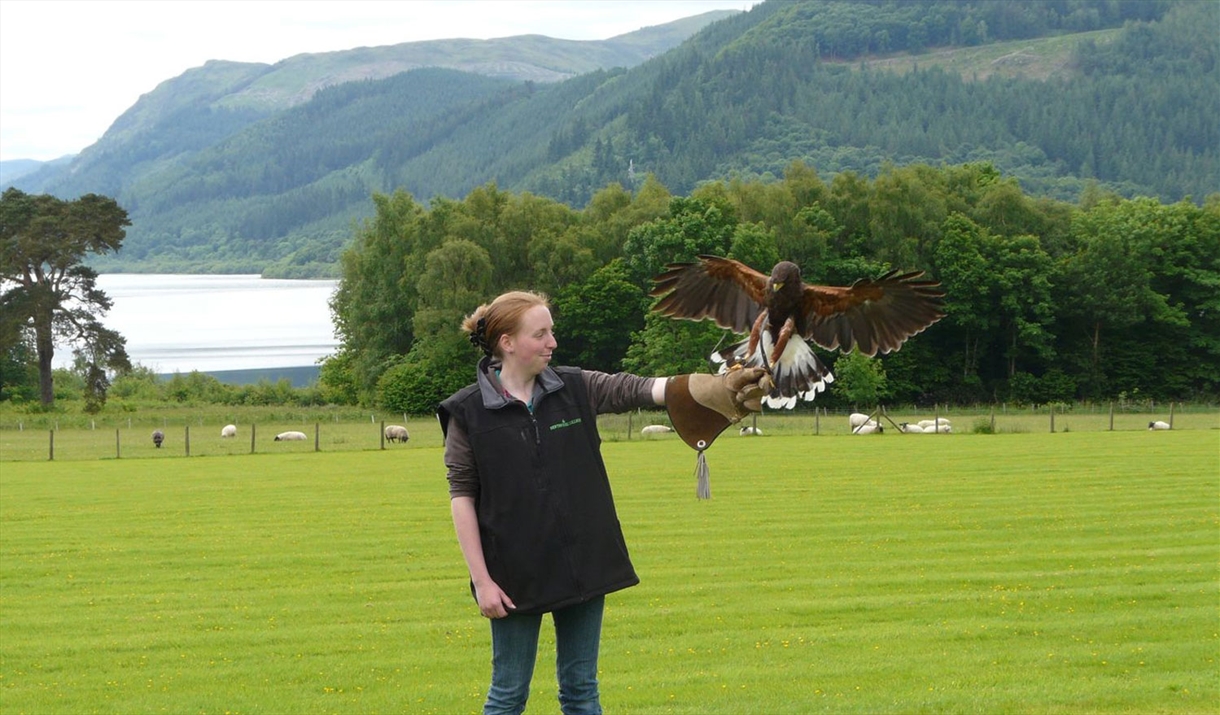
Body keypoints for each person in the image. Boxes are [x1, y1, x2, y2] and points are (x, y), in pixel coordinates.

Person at [438, 290, 769, 715]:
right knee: (508, 696)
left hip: (583, 563)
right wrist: (482, 581)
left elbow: (632, 389)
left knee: (580, 691)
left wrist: (703, 387)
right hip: (513, 575)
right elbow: (461, 495)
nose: (552, 342)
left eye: (551, 331)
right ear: (507, 342)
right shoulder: (468, 412)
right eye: (541, 334)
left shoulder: (574, 386)